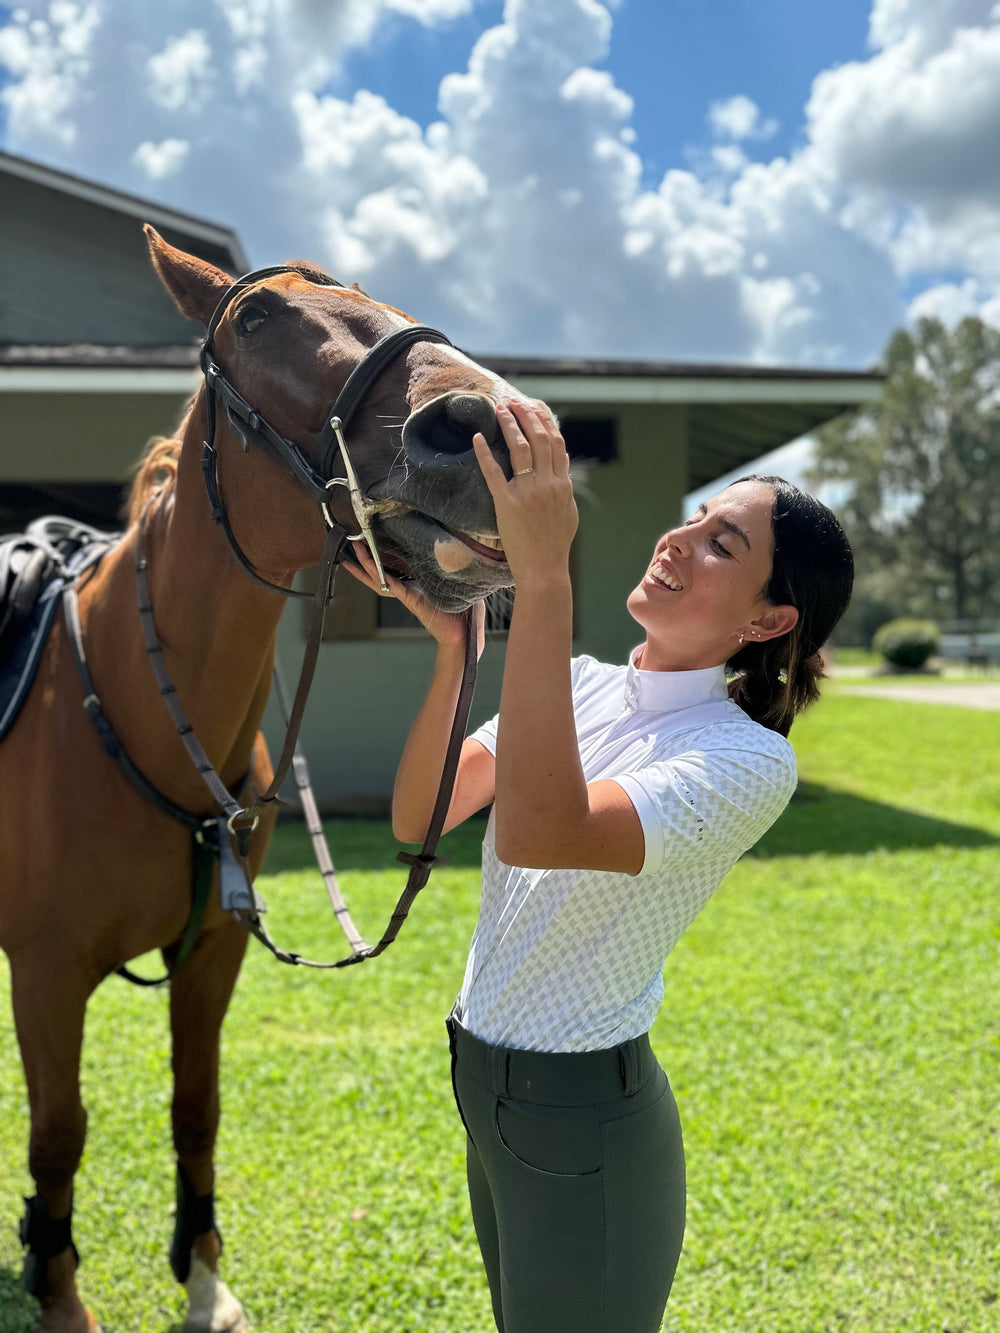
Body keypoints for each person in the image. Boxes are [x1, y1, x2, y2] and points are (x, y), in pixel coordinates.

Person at [345, 400, 854, 1333]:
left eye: (723, 545)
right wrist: (459, 653)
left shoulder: (745, 759)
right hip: (485, 1086)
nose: (682, 537)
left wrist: (542, 580)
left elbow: (545, 830)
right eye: (697, 517)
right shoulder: (579, 683)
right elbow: (421, 819)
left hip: (580, 1119)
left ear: (770, 617)